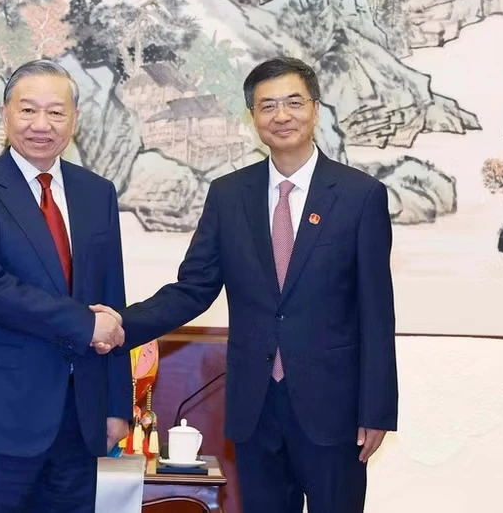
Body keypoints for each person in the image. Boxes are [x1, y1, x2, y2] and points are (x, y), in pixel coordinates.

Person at [93, 57, 398, 513]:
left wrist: (376, 412)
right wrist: (122, 324)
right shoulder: (229, 195)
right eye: (267, 105)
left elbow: (377, 310)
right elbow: (194, 287)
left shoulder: (359, 195)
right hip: (256, 404)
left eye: (294, 102)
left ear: (314, 109)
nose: (282, 116)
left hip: (335, 408)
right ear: (252, 117)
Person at [0, 59, 131, 512]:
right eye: (27, 111)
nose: (40, 125)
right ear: (5, 114)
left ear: (74, 120)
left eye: (55, 112)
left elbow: (112, 296)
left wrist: (117, 403)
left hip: (80, 418)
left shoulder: (96, 192)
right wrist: (83, 324)